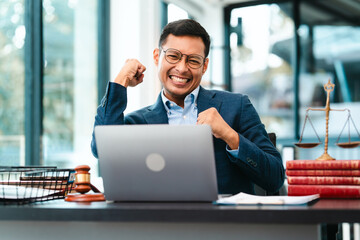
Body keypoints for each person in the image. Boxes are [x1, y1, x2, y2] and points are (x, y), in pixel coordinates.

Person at [91, 19, 284, 195]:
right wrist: (120, 81)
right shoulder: (137, 122)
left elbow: (275, 178)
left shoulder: (237, 106)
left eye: (193, 60)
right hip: (159, 225)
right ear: (157, 57)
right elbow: (102, 148)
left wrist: (229, 135)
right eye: (173, 56)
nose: (182, 68)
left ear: (204, 66)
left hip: (225, 226)